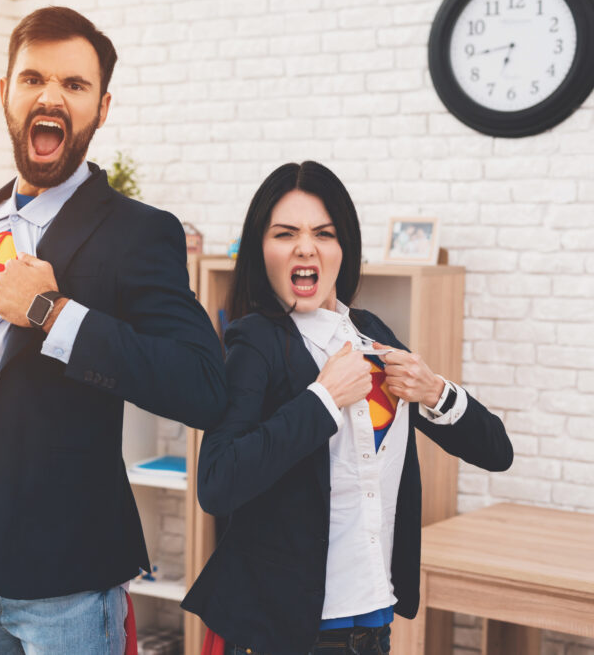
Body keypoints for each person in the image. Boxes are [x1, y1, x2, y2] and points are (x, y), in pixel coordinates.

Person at [0, 6, 226, 654]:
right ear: (5, 93)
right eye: (33, 78)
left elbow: (203, 385)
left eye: (75, 84)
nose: (51, 95)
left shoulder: (138, 233)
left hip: (66, 581)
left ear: (102, 107)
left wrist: (53, 314)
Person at [180, 161, 513, 655]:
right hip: (294, 633)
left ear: (343, 249)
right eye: (284, 233)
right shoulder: (254, 343)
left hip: (373, 624)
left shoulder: (371, 333)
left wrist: (433, 390)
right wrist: (324, 399)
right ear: (260, 250)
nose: (305, 247)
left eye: (324, 233)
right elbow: (217, 482)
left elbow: (496, 451)